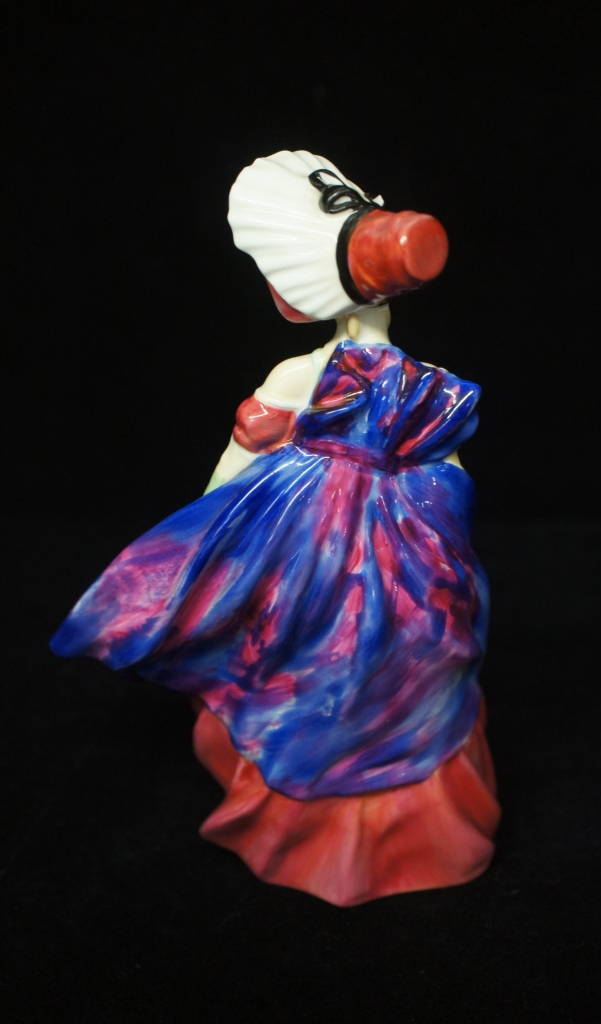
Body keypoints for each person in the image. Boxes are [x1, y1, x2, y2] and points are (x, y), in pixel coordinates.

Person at [51, 151, 500, 906]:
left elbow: (231, 471)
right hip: (407, 546)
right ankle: (416, 820)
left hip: (313, 547)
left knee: (309, 652)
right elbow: (451, 473)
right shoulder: (425, 382)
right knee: (397, 656)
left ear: (295, 294)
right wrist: (432, 539)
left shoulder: (298, 378)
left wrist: (206, 541)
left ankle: (315, 824)